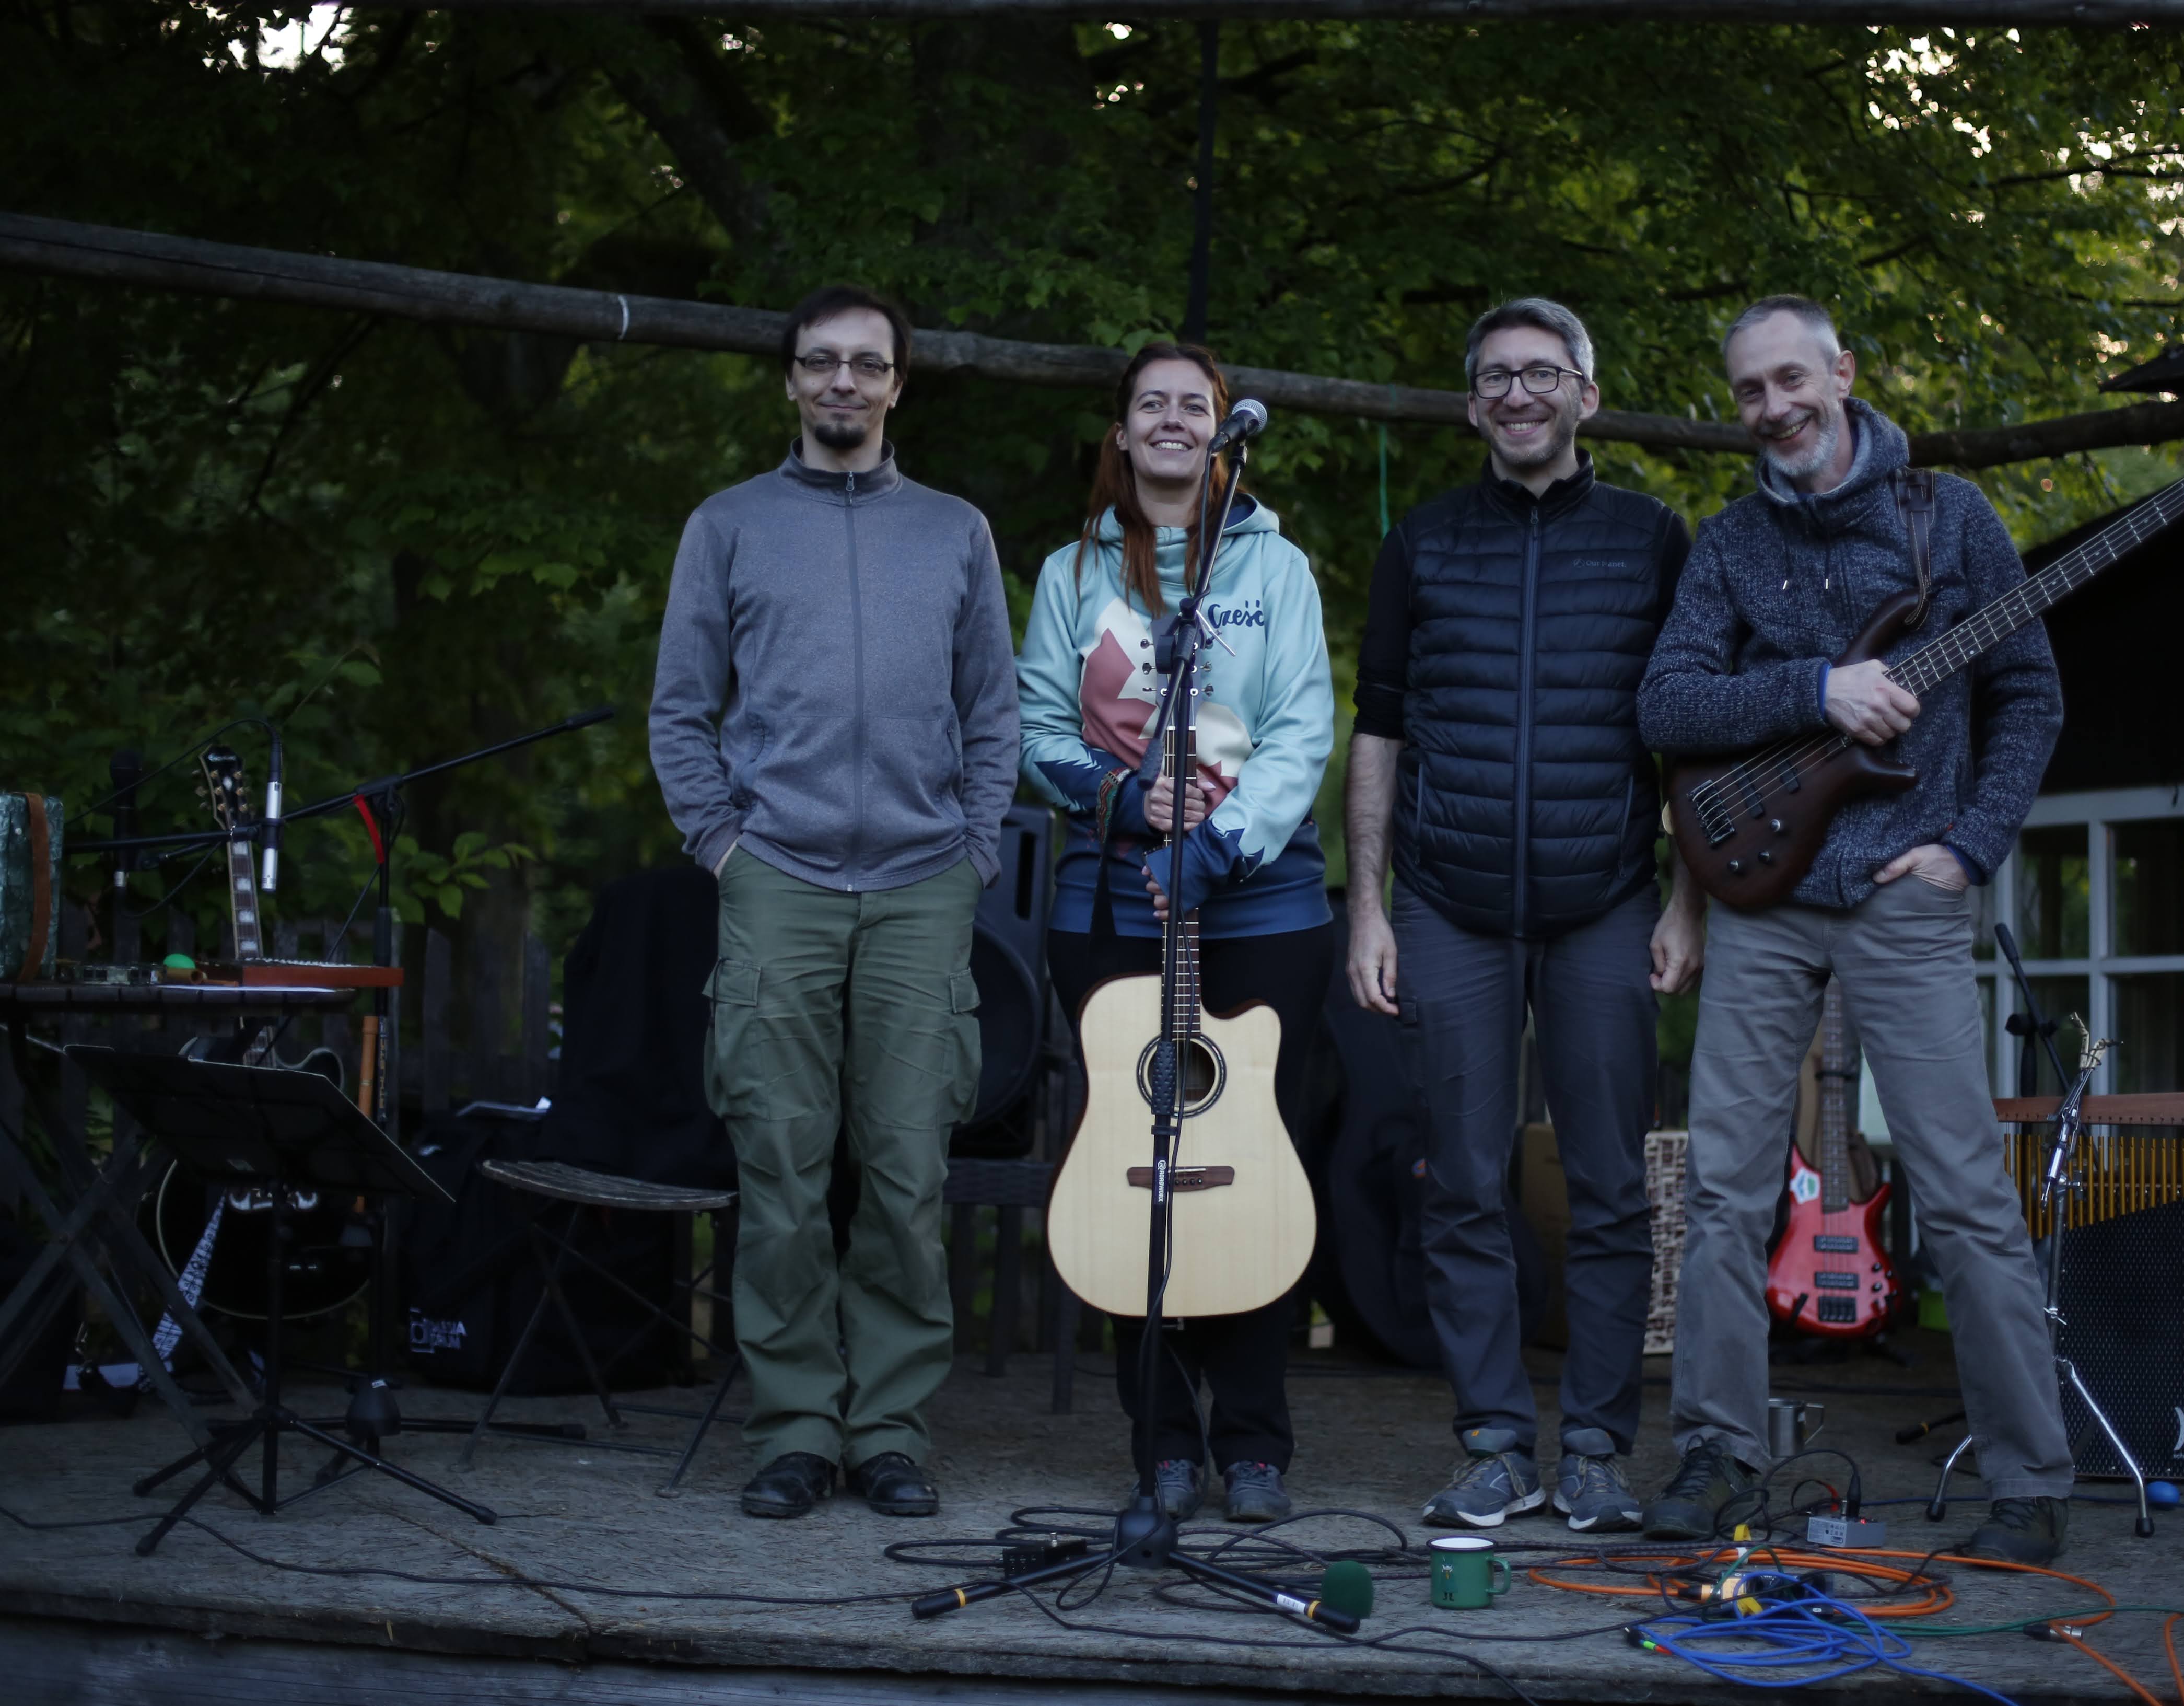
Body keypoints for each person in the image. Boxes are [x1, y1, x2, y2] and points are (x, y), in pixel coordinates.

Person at [1636, 294, 2074, 1564]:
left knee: (1964, 1190)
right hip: (1762, 899)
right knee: (1722, 1191)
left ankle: (2028, 1481)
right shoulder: (1729, 545)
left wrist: (1971, 847)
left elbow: (2031, 696)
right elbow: (1665, 704)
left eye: (1790, 379)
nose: (1772, 408)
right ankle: (1719, 1455)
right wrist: (1813, 689)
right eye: (1749, 391)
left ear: (1840, 372)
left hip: (1905, 893)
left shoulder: (1952, 518)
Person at [649, 283, 1020, 1522]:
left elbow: (994, 713)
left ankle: (891, 1430)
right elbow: (679, 710)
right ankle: (797, 1428)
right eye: (822, 362)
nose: (844, 382)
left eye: (867, 363)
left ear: (898, 383)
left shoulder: (956, 531)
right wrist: (724, 847)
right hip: (779, 881)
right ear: (791, 379)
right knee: (781, 1173)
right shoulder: (728, 525)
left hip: (922, 885)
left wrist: (972, 850)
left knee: (908, 1177)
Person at [1346, 298, 1701, 1533]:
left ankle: (1596, 1446)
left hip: (1606, 902)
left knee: (1611, 1183)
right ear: (1470, 405)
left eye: (1542, 374)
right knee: (1460, 1183)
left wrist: (1687, 897)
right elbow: (1378, 730)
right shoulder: (1420, 544)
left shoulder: (1655, 539)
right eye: (1495, 377)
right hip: (1447, 907)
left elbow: (1691, 731)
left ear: (1585, 396)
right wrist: (1368, 908)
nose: (1517, 394)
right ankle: (1495, 1443)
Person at [1018, 342, 1335, 1526]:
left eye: (1191, 405)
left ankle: (1252, 1443)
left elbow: (1302, 727)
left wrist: (1215, 844)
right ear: (1121, 430)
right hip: (1108, 901)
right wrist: (1120, 801)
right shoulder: (1071, 572)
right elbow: (1033, 725)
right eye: (1149, 403)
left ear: (1218, 430)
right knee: (1129, 1162)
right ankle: (1157, 1441)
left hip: (1259, 899)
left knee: (1249, 1162)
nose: (1170, 419)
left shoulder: (1279, 567)